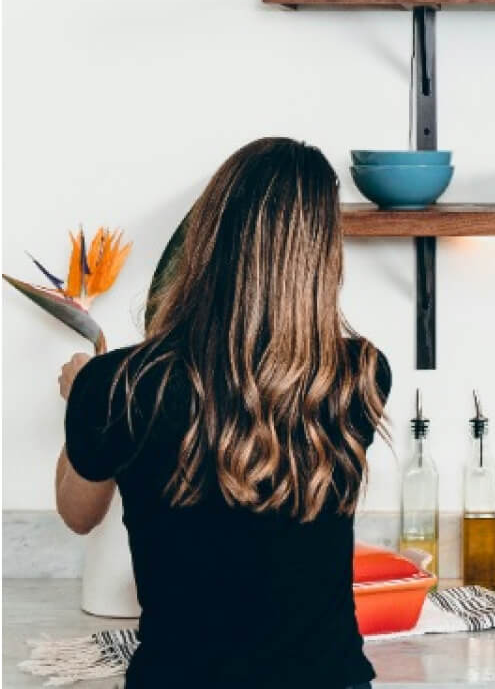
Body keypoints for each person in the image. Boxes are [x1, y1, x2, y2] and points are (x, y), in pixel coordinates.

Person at [55, 138, 392, 689]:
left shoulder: (118, 383)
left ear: (205, 234)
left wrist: (82, 402)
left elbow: (78, 513)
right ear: (323, 254)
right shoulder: (358, 376)